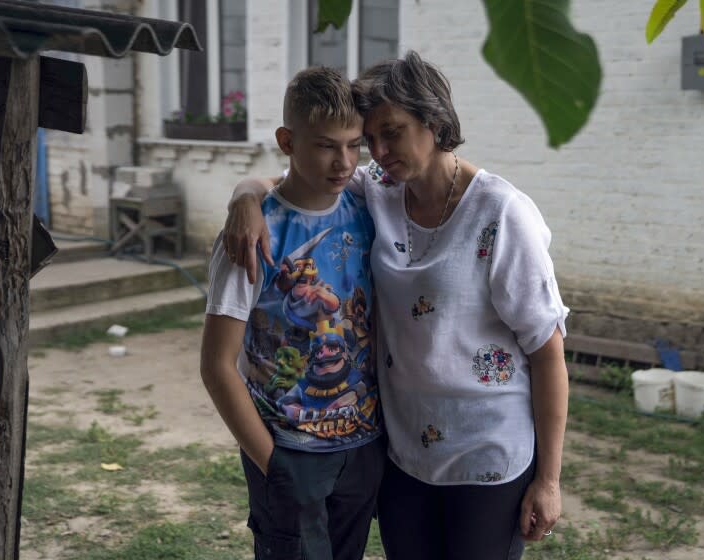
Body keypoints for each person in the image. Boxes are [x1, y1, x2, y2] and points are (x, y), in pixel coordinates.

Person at [223, 51, 570, 560]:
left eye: (393, 132)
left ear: (434, 121)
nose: (377, 151)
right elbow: (293, 179)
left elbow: (547, 352)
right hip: (402, 454)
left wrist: (550, 479)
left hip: (487, 456)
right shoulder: (378, 190)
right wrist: (244, 198)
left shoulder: (501, 213)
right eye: (371, 139)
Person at [200, 66, 385, 560]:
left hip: (362, 448)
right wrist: (272, 463)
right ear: (287, 140)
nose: (343, 161)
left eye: (354, 144)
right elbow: (218, 365)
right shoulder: (252, 237)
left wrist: (245, 189)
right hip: (290, 451)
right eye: (326, 145)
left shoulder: (368, 207)